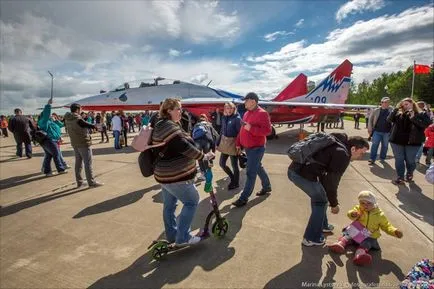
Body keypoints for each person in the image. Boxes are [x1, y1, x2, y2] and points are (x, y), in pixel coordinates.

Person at [151, 98, 214, 245]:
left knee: (169, 206)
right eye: (178, 109)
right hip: (175, 175)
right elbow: (183, 146)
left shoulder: (164, 124)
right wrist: (203, 156)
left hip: (165, 175)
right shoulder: (168, 126)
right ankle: (183, 237)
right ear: (168, 111)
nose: (181, 111)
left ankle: (172, 235)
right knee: (192, 201)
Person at [288, 134, 369, 246]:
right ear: (353, 148)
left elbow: (324, 174)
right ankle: (311, 238)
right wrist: (334, 204)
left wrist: (328, 196)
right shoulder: (343, 155)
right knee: (320, 202)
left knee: (321, 196)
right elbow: (331, 183)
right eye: (361, 153)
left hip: (296, 170)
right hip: (301, 175)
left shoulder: (337, 143)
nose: (361, 157)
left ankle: (323, 226)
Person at [328, 191, 403, 266]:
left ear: (374, 203)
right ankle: (340, 244)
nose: (365, 205)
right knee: (347, 236)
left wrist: (394, 231)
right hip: (356, 232)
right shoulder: (359, 209)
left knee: (366, 244)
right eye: (362, 203)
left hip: (369, 236)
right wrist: (352, 214)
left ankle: (360, 255)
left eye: (368, 203)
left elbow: (386, 226)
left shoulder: (380, 215)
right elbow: (350, 213)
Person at [232, 92, 272, 207]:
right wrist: (239, 143)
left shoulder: (262, 113)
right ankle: (267, 186)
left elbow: (267, 131)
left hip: (257, 148)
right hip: (248, 148)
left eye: (246, 100)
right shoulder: (246, 113)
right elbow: (242, 129)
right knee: (258, 167)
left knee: (250, 173)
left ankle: (243, 198)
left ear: (253, 101)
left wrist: (251, 128)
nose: (244, 102)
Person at [387, 97, 431, 185]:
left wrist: (413, 117)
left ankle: (410, 173)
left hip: (413, 142)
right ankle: (400, 177)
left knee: (410, 160)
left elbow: (426, 124)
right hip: (396, 141)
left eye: (406, 104)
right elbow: (389, 119)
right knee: (399, 160)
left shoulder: (421, 113)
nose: (405, 106)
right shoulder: (398, 113)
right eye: (403, 105)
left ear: (412, 104)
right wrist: (395, 109)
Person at [64, 103, 103, 188]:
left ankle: (79, 182)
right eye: (80, 109)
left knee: (78, 163)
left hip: (75, 143)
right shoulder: (77, 118)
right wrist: (95, 126)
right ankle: (91, 182)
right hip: (83, 143)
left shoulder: (67, 118)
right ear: (77, 110)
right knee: (87, 163)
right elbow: (85, 124)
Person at [38, 99, 68, 176]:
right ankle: (60, 169)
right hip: (49, 140)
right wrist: (48, 105)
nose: (51, 116)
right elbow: (46, 115)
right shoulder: (43, 122)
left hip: (53, 140)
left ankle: (47, 172)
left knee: (49, 156)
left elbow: (61, 125)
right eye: (50, 115)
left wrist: (56, 120)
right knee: (56, 154)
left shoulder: (51, 122)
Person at [218, 102, 242, 190]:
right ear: (225, 109)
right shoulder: (224, 117)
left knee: (234, 165)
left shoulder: (237, 118)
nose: (229, 110)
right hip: (225, 143)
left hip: (233, 144)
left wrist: (239, 146)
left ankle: (236, 183)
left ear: (234, 109)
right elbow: (222, 130)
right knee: (222, 164)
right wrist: (218, 142)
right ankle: (232, 178)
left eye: (231, 108)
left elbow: (240, 133)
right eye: (227, 108)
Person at [192, 114, 218, 181]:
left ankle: (203, 174)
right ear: (205, 119)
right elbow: (215, 134)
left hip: (198, 142)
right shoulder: (209, 125)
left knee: (200, 158)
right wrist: (214, 146)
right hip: (207, 142)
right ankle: (208, 172)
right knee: (207, 157)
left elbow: (193, 134)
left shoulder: (197, 125)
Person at [367, 97, 393, 165]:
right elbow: (370, 119)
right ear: (381, 103)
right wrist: (370, 128)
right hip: (377, 131)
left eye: (387, 102)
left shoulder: (392, 110)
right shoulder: (376, 110)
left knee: (385, 146)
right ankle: (372, 159)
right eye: (384, 102)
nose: (385, 104)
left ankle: (382, 158)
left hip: (387, 132)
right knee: (374, 145)